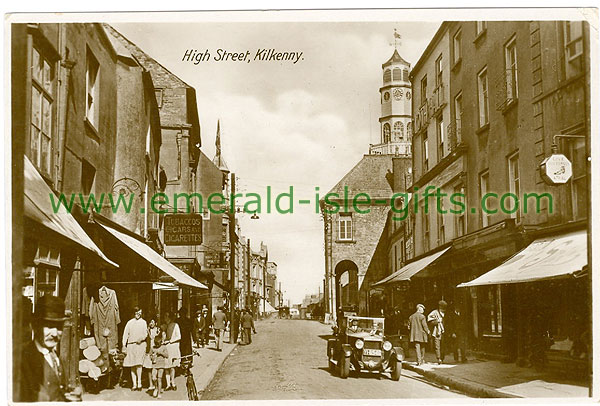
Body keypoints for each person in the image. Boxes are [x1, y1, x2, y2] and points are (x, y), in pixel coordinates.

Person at [19, 295, 82, 402]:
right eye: (48, 326)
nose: (54, 333)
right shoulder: (24, 360)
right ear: (35, 326)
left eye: (58, 327)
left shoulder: (55, 356)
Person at [122, 306, 148, 391]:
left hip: (140, 345)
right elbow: (125, 334)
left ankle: (139, 383)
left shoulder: (143, 322)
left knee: (138, 364)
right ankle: (134, 384)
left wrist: (141, 338)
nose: (138, 315)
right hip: (131, 345)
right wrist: (124, 345)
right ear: (134, 313)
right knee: (132, 365)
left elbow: (145, 333)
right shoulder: (129, 323)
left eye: (140, 313)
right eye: (137, 313)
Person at [163, 312, 180, 391]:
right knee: (166, 366)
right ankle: (167, 384)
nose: (165, 318)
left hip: (173, 347)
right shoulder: (164, 326)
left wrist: (170, 341)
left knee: (172, 366)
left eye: (166, 317)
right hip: (166, 348)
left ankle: (173, 382)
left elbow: (179, 336)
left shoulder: (175, 325)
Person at [143, 317, 161, 392]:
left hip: (156, 350)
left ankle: (157, 385)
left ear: (155, 323)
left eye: (153, 322)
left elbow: (154, 337)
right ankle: (151, 384)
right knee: (149, 368)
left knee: (156, 368)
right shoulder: (148, 330)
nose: (151, 323)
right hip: (149, 351)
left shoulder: (158, 330)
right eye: (150, 322)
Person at [428, 300, 447, 365]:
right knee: (437, 346)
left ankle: (442, 357)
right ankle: (439, 359)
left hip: (444, 332)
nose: (443, 309)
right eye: (442, 307)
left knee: (443, 346)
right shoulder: (434, 312)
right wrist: (437, 321)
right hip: (437, 332)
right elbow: (430, 322)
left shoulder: (446, 313)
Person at [149, 333, 169, 399]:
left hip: (161, 365)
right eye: (156, 344)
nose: (157, 345)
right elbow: (150, 355)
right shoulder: (152, 348)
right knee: (153, 378)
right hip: (154, 364)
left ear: (160, 342)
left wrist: (161, 353)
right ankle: (156, 388)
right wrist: (152, 357)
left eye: (158, 344)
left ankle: (159, 393)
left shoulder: (163, 347)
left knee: (159, 378)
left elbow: (167, 355)